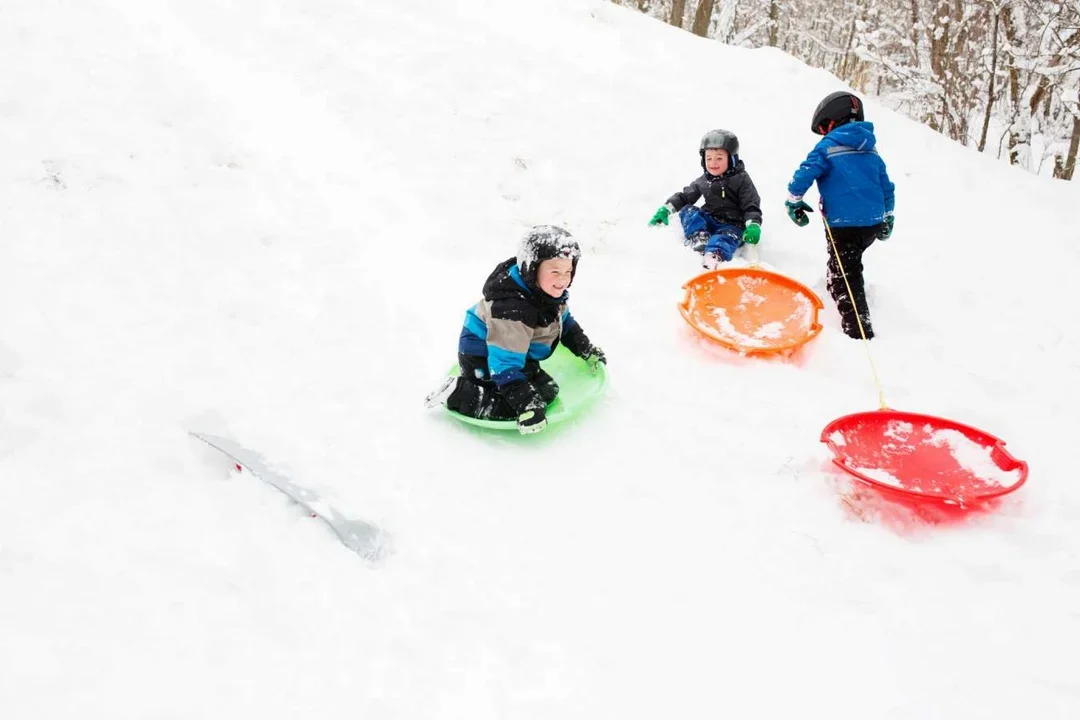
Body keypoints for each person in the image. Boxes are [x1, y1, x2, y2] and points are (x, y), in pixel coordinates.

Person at [424, 225, 606, 435]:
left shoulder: (547, 293)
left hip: (511, 348)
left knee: (547, 391)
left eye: (568, 271)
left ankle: (507, 392)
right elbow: (504, 365)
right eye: (555, 271)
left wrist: (586, 349)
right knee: (519, 406)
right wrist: (527, 405)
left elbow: (566, 325)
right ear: (532, 269)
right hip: (482, 355)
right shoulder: (513, 311)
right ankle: (458, 392)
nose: (563, 279)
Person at [785, 91, 896, 339]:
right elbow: (886, 185)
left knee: (847, 274)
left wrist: (794, 200)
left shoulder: (827, 146)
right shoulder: (871, 149)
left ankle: (859, 330)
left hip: (843, 222)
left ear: (833, 121)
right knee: (846, 262)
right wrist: (888, 215)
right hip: (872, 223)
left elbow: (804, 173)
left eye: (824, 127)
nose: (824, 133)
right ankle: (834, 284)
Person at [648, 129, 763, 267]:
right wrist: (667, 209)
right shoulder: (704, 180)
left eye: (719, 158)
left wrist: (753, 224)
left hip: (732, 226)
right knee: (688, 211)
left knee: (722, 239)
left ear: (732, 159)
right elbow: (685, 196)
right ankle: (699, 236)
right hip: (710, 218)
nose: (713, 163)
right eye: (709, 158)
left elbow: (751, 205)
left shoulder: (741, 180)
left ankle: (714, 256)